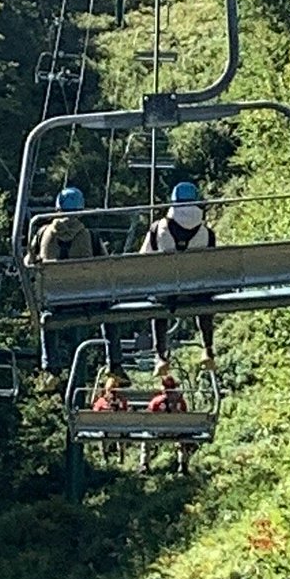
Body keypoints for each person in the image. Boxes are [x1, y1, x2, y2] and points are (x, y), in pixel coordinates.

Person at [28, 186, 128, 381]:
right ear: (81, 210)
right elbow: (105, 264)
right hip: (85, 300)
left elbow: (29, 262)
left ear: (57, 209)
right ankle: (115, 364)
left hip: (56, 303)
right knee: (111, 310)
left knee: (46, 318)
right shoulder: (90, 235)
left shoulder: (41, 233)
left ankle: (51, 368)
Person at [141, 180, 216, 376]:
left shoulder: (158, 228)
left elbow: (143, 259)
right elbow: (213, 265)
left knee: (158, 309)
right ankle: (207, 349)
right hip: (197, 292)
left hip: (167, 294)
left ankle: (160, 357)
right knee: (205, 301)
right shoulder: (206, 233)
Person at [139, 373, 193, 476]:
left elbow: (148, 416)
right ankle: (183, 465)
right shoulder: (180, 401)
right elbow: (185, 416)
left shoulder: (156, 401)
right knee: (182, 440)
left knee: (145, 439)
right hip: (176, 433)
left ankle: (144, 464)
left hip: (158, 432)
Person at [91, 372, 129, 462]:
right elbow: (126, 412)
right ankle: (121, 456)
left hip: (106, 430)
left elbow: (95, 413)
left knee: (103, 435)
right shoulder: (122, 400)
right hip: (120, 430)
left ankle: (105, 456)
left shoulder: (101, 401)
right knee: (121, 430)